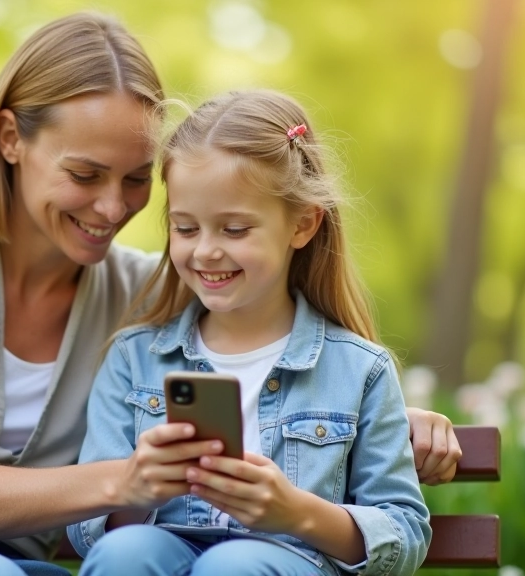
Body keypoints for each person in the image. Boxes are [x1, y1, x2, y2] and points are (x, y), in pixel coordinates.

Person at [0, 13, 459, 576]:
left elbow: (267, 344)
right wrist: (122, 483)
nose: (112, 207)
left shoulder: (141, 291)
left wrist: (407, 416)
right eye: (85, 174)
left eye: (136, 181)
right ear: (11, 138)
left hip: (7, 563)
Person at [67, 90, 431, 575]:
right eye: (186, 228)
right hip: (165, 553)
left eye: (234, 230)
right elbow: (87, 524)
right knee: (125, 552)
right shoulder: (134, 358)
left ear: (302, 225)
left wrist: (297, 512)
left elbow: (403, 530)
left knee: (233, 564)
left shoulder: (359, 370)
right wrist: (136, 487)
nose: (206, 252)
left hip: (289, 560)